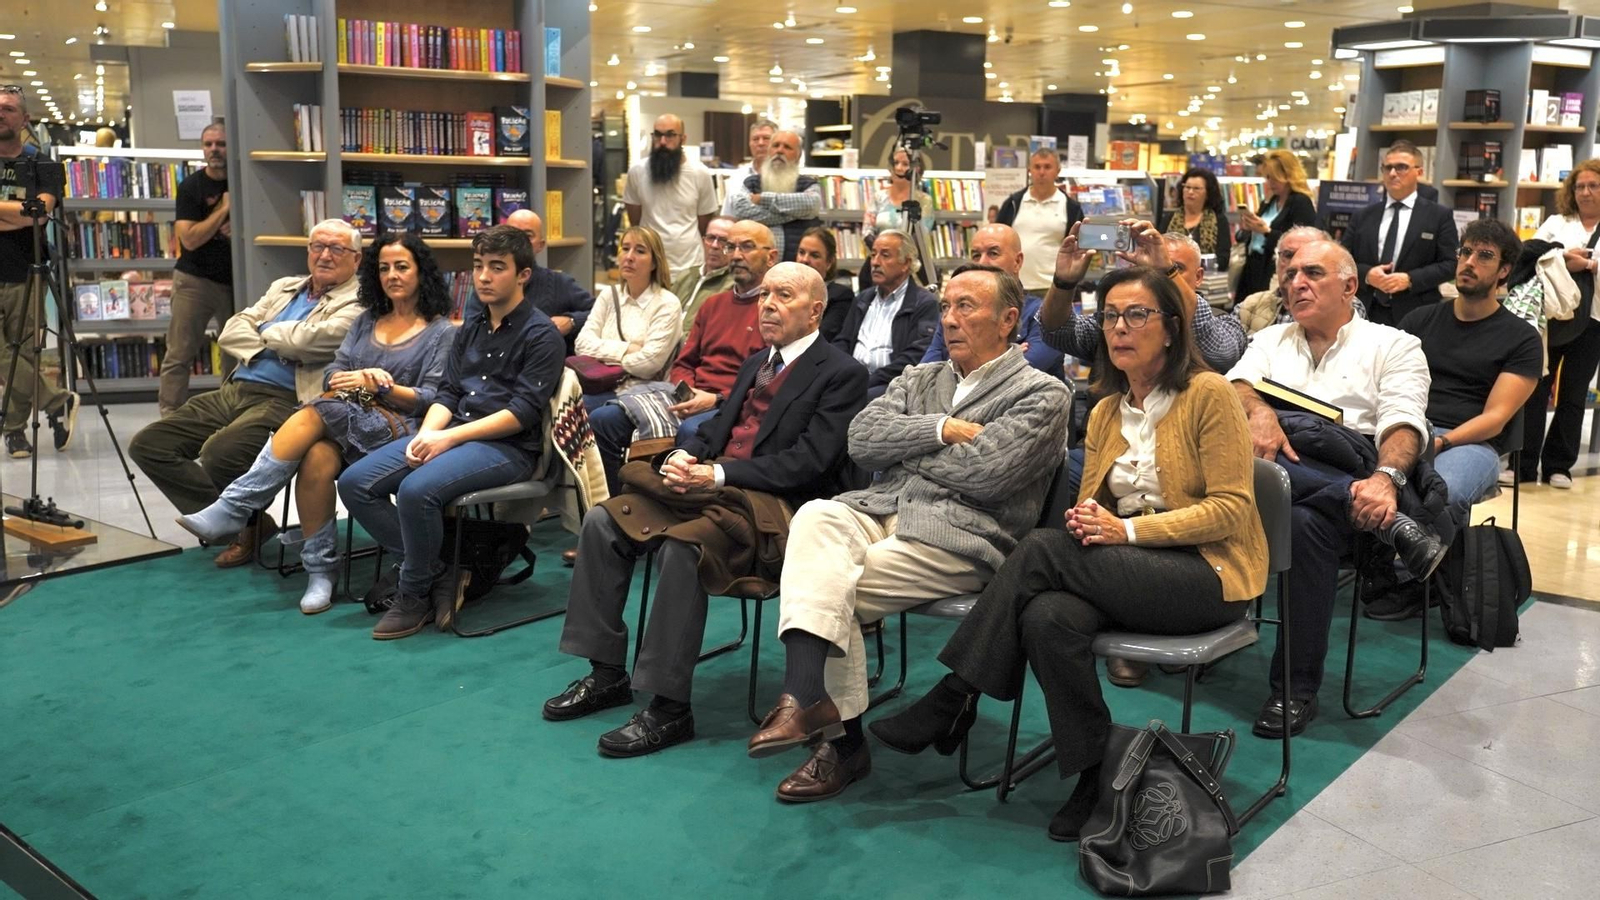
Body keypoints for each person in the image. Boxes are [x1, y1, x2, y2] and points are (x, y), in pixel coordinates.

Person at [870, 266, 1267, 842]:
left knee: (1038, 548)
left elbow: (1231, 510)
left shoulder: (1208, 394)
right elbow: (1088, 510)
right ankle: (1092, 771)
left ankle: (954, 695)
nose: (1119, 328)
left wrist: (1126, 533)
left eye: (1137, 315)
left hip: (1206, 576)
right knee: (1046, 615)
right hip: (1120, 573)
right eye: (1109, 316)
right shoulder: (1105, 409)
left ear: (1173, 328)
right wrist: (1094, 526)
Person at [745, 265, 1070, 803]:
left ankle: (837, 740)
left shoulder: (1043, 394)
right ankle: (808, 699)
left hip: (961, 535)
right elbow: (862, 441)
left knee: (825, 588)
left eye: (967, 306)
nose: (949, 319)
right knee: (815, 517)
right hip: (879, 509)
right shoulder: (923, 378)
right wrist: (939, 430)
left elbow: (987, 475)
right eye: (945, 306)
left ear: (1009, 320)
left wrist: (910, 452)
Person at [543, 262, 868, 757]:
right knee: (603, 520)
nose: (768, 305)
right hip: (715, 494)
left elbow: (811, 464)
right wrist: (684, 457)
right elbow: (719, 433)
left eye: (784, 295)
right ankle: (606, 672)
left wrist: (716, 474)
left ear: (816, 310)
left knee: (682, 548)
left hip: (779, 512)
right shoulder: (757, 361)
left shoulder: (842, 373)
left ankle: (670, 707)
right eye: (764, 296)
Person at [1226, 239, 1443, 739]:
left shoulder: (1394, 345)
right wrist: (1259, 412)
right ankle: (1394, 527)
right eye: (1291, 273)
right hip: (1258, 486)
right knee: (1240, 444)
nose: (1295, 282)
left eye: (1313, 273)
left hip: (1362, 494)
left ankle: (1292, 689)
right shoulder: (1271, 339)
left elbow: (1403, 425)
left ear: (1349, 286)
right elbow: (1235, 386)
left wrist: (1384, 483)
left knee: (1304, 524)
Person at [173, 233, 455, 614]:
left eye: (402, 267)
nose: (392, 275)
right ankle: (321, 571)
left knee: (315, 411)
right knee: (317, 456)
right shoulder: (367, 319)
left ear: (422, 273)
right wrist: (346, 380)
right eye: (384, 268)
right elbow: (333, 373)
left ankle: (237, 505)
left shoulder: (441, 331)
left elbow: (433, 397)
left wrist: (379, 383)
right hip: (349, 410)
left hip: (402, 423)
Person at [337, 225, 565, 640]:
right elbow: (448, 391)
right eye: (479, 266)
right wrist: (429, 433)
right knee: (355, 483)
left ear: (523, 275)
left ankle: (414, 593)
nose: (483, 277)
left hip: (509, 447)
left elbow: (522, 414)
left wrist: (448, 438)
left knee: (415, 490)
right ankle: (440, 566)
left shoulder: (541, 334)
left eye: (497, 268)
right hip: (458, 430)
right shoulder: (472, 326)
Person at [130, 219, 365, 567]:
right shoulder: (285, 287)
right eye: (318, 246)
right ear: (308, 251)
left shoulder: (360, 301)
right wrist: (278, 339)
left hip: (290, 400)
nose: (325, 255)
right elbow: (231, 330)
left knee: (218, 454)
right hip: (237, 388)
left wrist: (263, 330)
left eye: (337, 249)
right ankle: (250, 525)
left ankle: (242, 526)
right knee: (149, 445)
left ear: (356, 259)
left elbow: (314, 340)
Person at [1365, 219, 1541, 620]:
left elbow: (1497, 418)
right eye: (1465, 252)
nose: (1469, 262)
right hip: (1407, 425)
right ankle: (1375, 563)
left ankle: (1416, 580)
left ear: (1503, 271)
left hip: (1470, 442)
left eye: (1484, 256)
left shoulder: (1521, 338)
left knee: (1445, 491)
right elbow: (1383, 387)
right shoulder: (1420, 320)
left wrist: (1439, 442)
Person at [0, 85, 77, 459]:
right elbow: (25, 214)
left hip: (25, 270)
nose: (1, 114)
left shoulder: (41, 164)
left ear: (24, 118)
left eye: (9, 109)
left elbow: (40, 214)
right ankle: (56, 401)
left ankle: (14, 432)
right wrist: (16, 211)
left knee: (22, 354)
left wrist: (25, 215)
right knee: (5, 355)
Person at [575, 226, 683, 490]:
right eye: (625, 249)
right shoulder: (608, 296)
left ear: (655, 261)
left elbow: (649, 364)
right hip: (603, 386)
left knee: (585, 411)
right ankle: (578, 493)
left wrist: (605, 352)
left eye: (640, 250)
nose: (629, 257)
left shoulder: (666, 303)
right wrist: (627, 349)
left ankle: (608, 495)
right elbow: (581, 345)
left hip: (643, 391)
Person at [1514, 159, 1600, 489]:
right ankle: (1524, 464)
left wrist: (1590, 265)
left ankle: (1558, 466)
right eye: (1580, 186)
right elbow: (1531, 252)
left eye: (1593, 185)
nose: (1586, 192)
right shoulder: (1558, 221)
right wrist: (1565, 256)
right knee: (1535, 389)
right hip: (1552, 318)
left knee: (1574, 394)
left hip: (1593, 322)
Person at [662, 220, 777, 443]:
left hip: (735, 405)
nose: (735, 255)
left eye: (746, 246)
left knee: (691, 430)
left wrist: (716, 399)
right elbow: (684, 364)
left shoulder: (774, 312)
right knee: (607, 417)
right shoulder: (712, 305)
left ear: (771, 258)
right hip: (691, 395)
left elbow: (768, 383)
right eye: (730, 247)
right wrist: (688, 392)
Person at [921, 223, 1066, 380]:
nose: (982, 263)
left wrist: (963, 365)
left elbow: (1021, 374)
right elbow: (925, 374)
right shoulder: (953, 312)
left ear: (1017, 262)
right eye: (976, 255)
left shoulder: (1047, 316)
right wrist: (1005, 357)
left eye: (993, 253)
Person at [160, 121, 236, 418]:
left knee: (236, 354)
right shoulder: (191, 187)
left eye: (221, 144)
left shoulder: (247, 182)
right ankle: (169, 416)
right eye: (208, 144)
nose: (214, 150)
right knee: (179, 353)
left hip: (237, 282)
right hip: (195, 280)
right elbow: (189, 239)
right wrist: (222, 212)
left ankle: (230, 416)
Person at [1340, 141, 1460, 326]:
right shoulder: (1363, 216)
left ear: (1419, 172)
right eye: (1387, 168)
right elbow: (1341, 259)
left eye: (1401, 167)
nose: (1393, 173)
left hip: (1416, 312)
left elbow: (1451, 264)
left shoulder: (1438, 216)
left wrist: (1410, 279)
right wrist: (1367, 274)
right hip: (1365, 311)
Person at [460, 208, 592, 352]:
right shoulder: (488, 284)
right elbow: (471, 330)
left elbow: (601, 313)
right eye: (511, 235)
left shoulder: (559, 282)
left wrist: (571, 321)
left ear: (540, 245)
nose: (518, 243)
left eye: (527, 236)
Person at [831, 229, 939, 398]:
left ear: (906, 263)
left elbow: (914, 357)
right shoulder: (863, 299)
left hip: (892, 383)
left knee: (855, 400)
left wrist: (867, 380)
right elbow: (843, 341)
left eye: (885, 255)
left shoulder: (923, 303)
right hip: (853, 378)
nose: (875, 262)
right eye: (873, 255)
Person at [623, 114, 719, 281]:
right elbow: (635, 220)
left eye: (670, 135)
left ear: (683, 138)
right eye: (658, 135)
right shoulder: (637, 172)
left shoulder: (700, 173)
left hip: (689, 265)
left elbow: (704, 224)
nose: (662, 142)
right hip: (649, 264)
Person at [1236, 225, 1369, 335]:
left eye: (1310, 257)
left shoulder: (1345, 304)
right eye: (1288, 255)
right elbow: (1224, 354)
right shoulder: (1251, 305)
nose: (1295, 262)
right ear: (1276, 261)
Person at [996, 148, 1086, 293]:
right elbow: (997, 241)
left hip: (1053, 288)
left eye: (1047, 167)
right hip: (1013, 286)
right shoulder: (1013, 203)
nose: (1042, 172)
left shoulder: (1071, 208)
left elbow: (1079, 249)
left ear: (1058, 171)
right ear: (1029, 170)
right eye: (1037, 167)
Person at [1234, 149, 1318, 300]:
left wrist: (1266, 231)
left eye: (1274, 178)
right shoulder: (1271, 201)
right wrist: (1248, 228)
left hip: (1274, 270)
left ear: (1288, 176)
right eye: (1267, 178)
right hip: (1253, 266)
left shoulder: (1300, 202)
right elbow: (1249, 235)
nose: (1270, 183)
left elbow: (1304, 244)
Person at [726, 131, 822, 262]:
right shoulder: (751, 183)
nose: (780, 151)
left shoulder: (808, 184)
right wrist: (795, 213)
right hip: (755, 265)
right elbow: (742, 210)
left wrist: (764, 199)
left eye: (787, 147)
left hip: (797, 265)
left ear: (798, 155)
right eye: (775, 145)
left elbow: (812, 205)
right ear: (769, 151)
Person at [861, 146, 932, 261]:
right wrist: (883, 253)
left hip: (908, 262)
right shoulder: (878, 197)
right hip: (878, 260)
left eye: (905, 164)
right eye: (896, 163)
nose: (899, 168)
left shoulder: (924, 201)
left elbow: (921, 236)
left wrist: (898, 256)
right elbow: (866, 232)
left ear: (916, 169)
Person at [672, 215, 736, 329]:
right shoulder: (686, 275)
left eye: (723, 241)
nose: (715, 245)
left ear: (733, 247)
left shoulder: (733, 285)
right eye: (711, 238)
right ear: (703, 241)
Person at [793, 226, 854, 343]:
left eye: (814, 255)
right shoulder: (784, 290)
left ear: (829, 262)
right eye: (801, 252)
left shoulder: (840, 296)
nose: (805, 259)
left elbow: (822, 337)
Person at [1164, 167, 1232, 265]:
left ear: (1208, 193)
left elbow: (1223, 258)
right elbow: (1159, 251)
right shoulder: (1169, 218)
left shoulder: (1219, 220)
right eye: (1187, 187)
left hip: (1206, 276)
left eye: (1196, 188)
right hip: (1170, 275)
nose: (1190, 192)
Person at [721, 119, 777, 216]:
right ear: (749, 143)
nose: (760, 143)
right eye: (755, 139)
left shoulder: (789, 179)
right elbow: (727, 214)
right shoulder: (737, 178)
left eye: (766, 138)